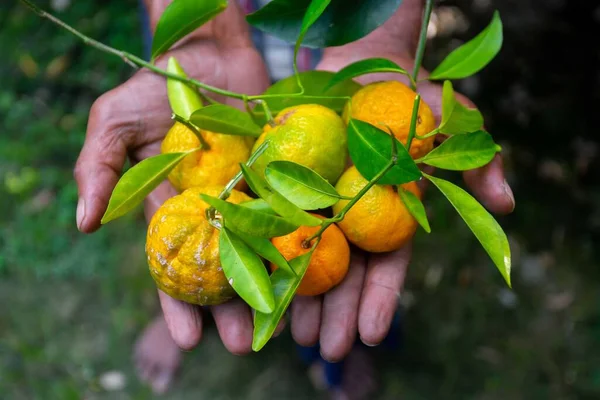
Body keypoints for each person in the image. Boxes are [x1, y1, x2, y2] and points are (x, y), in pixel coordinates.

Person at [74, 0, 515, 397]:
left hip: (336, 57)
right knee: (186, 247)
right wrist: (199, 34)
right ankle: (187, 314)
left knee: (357, 279)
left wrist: (383, 27)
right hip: (240, 71)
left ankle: (349, 351)